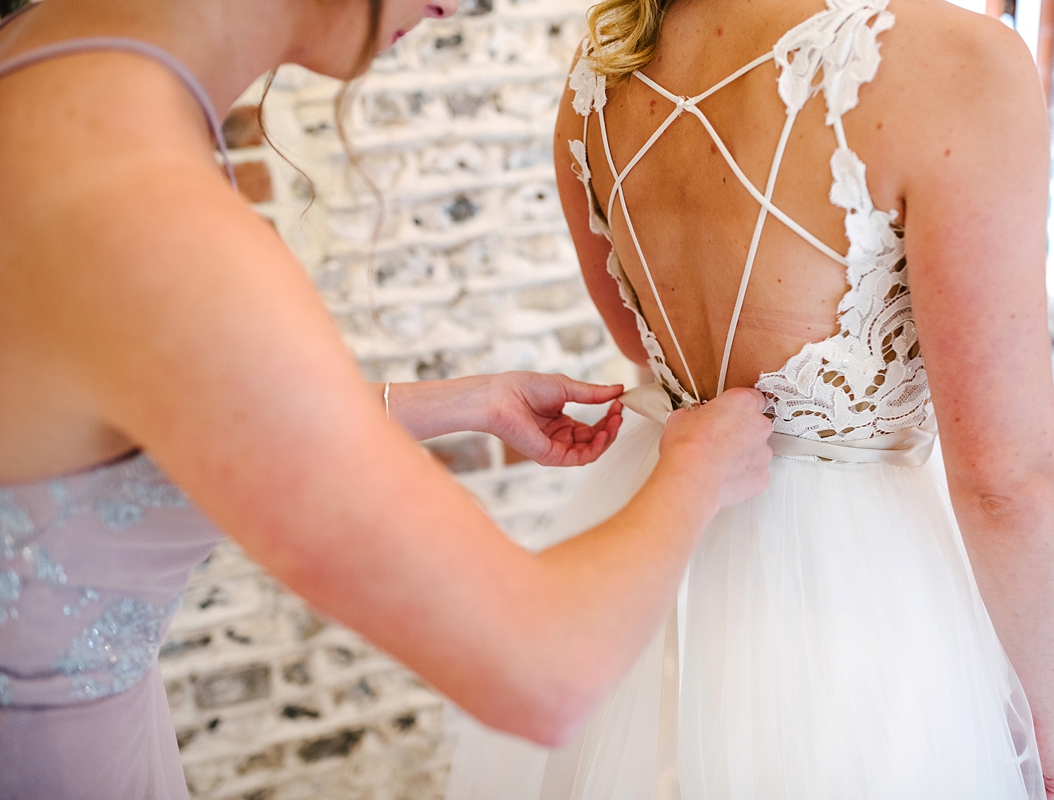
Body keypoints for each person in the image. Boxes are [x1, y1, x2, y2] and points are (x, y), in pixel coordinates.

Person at [0, 0, 778, 796]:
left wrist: (454, 403)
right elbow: (545, 671)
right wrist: (695, 470)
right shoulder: (146, 213)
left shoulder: (43, 64)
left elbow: (132, 411)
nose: (451, 3)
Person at [445, 0, 1054, 796]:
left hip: (669, 535)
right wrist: (1047, 717)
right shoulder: (957, 61)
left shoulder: (605, 68)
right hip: (862, 579)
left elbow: (632, 334)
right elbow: (1007, 476)